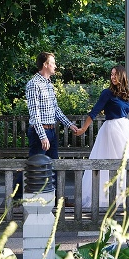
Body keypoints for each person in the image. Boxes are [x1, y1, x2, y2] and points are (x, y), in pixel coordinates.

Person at [76, 65, 129, 208]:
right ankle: (104, 197)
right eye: (111, 74)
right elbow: (94, 112)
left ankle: (123, 195)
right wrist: (83, 129)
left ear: (122, 76)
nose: (113, 77)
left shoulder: (125, 94)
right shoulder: (107, 93)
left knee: (124, 162)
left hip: (124, 129)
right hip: (111, 131)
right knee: (109, 162)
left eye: (115, 74)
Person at [24, 52, 79, 193]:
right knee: (36, 170)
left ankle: (54, 200)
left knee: (53, 168)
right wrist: (43, 136)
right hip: (39, 133)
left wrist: (69, 124)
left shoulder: (48, 84)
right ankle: (22, 201)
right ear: (45, 64)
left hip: (51, 132)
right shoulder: (33, 84)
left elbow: (55, 109)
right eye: (53, 63)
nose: (55, 66)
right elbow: (34, 113)